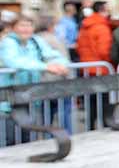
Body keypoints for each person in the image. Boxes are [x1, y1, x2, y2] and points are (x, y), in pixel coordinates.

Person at [1, 14, 70, 143]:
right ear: (13, 28)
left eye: (29, 25)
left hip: (29, 96)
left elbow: (53, 54)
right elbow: (14, 61)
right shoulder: (8, 42)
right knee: (9, 136)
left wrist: (61, 64)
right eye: (22, 25)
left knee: (27, 136)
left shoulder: (36, 41)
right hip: (8, 98)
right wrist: (45, 66)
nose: (26, 29)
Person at [76, 1, 114, 75]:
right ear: (103, 10)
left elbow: (79, 46)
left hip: (85, 67)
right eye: (108, 10)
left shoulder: (85, 25)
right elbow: (104, 51)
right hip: (100, 68)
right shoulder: (102, 27)